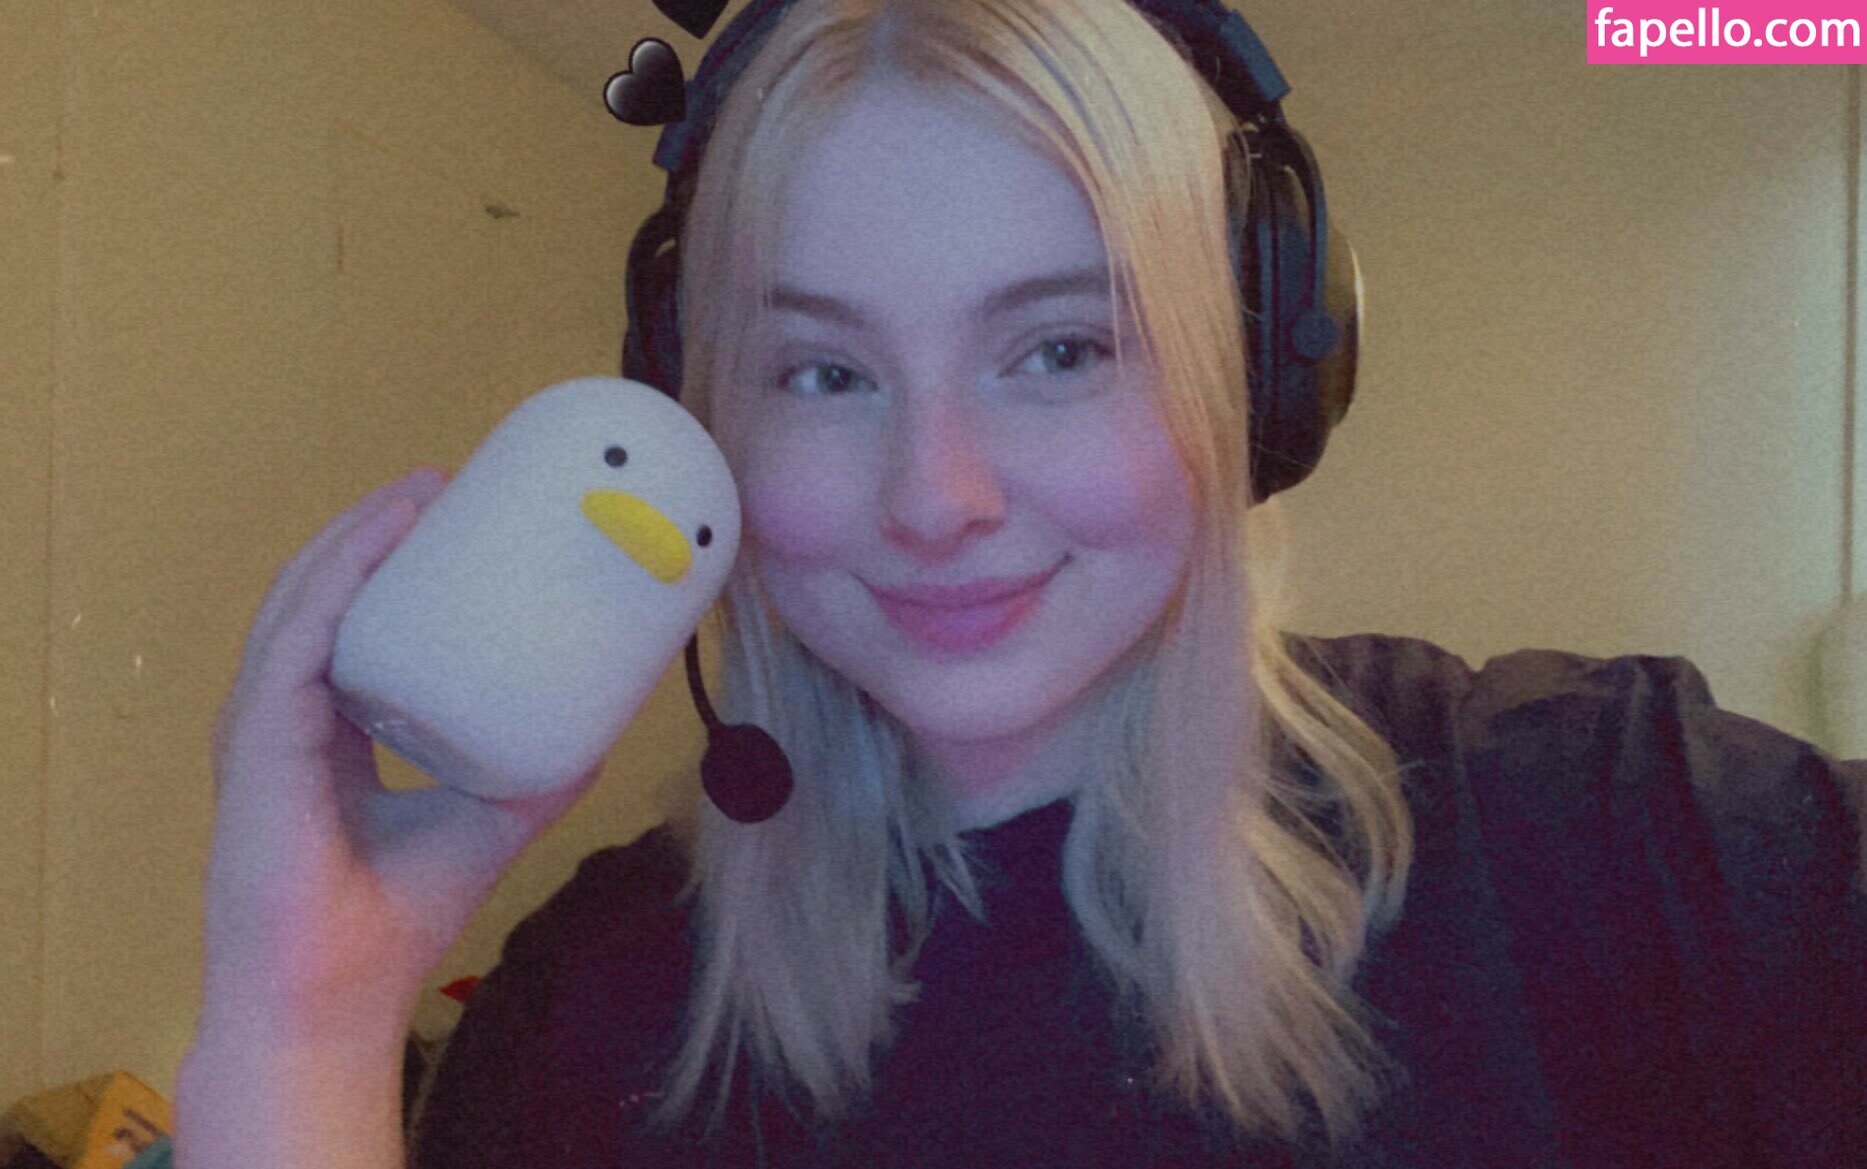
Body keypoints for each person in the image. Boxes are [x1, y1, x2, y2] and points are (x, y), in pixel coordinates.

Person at [174, 1, 1867, 1166]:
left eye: (1060, 348)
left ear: (1254, 376)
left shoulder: (1612, 832)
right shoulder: (596, 1011)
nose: (938, 499)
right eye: (826, 372)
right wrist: (305, 1021)